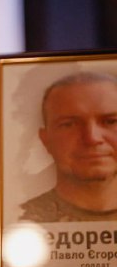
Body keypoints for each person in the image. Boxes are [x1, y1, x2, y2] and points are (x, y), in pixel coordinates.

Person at [20, 72, 117, 222]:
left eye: (110, 121)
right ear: (45, 140)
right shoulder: (21, 221)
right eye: (69, 124)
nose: (92, 138)